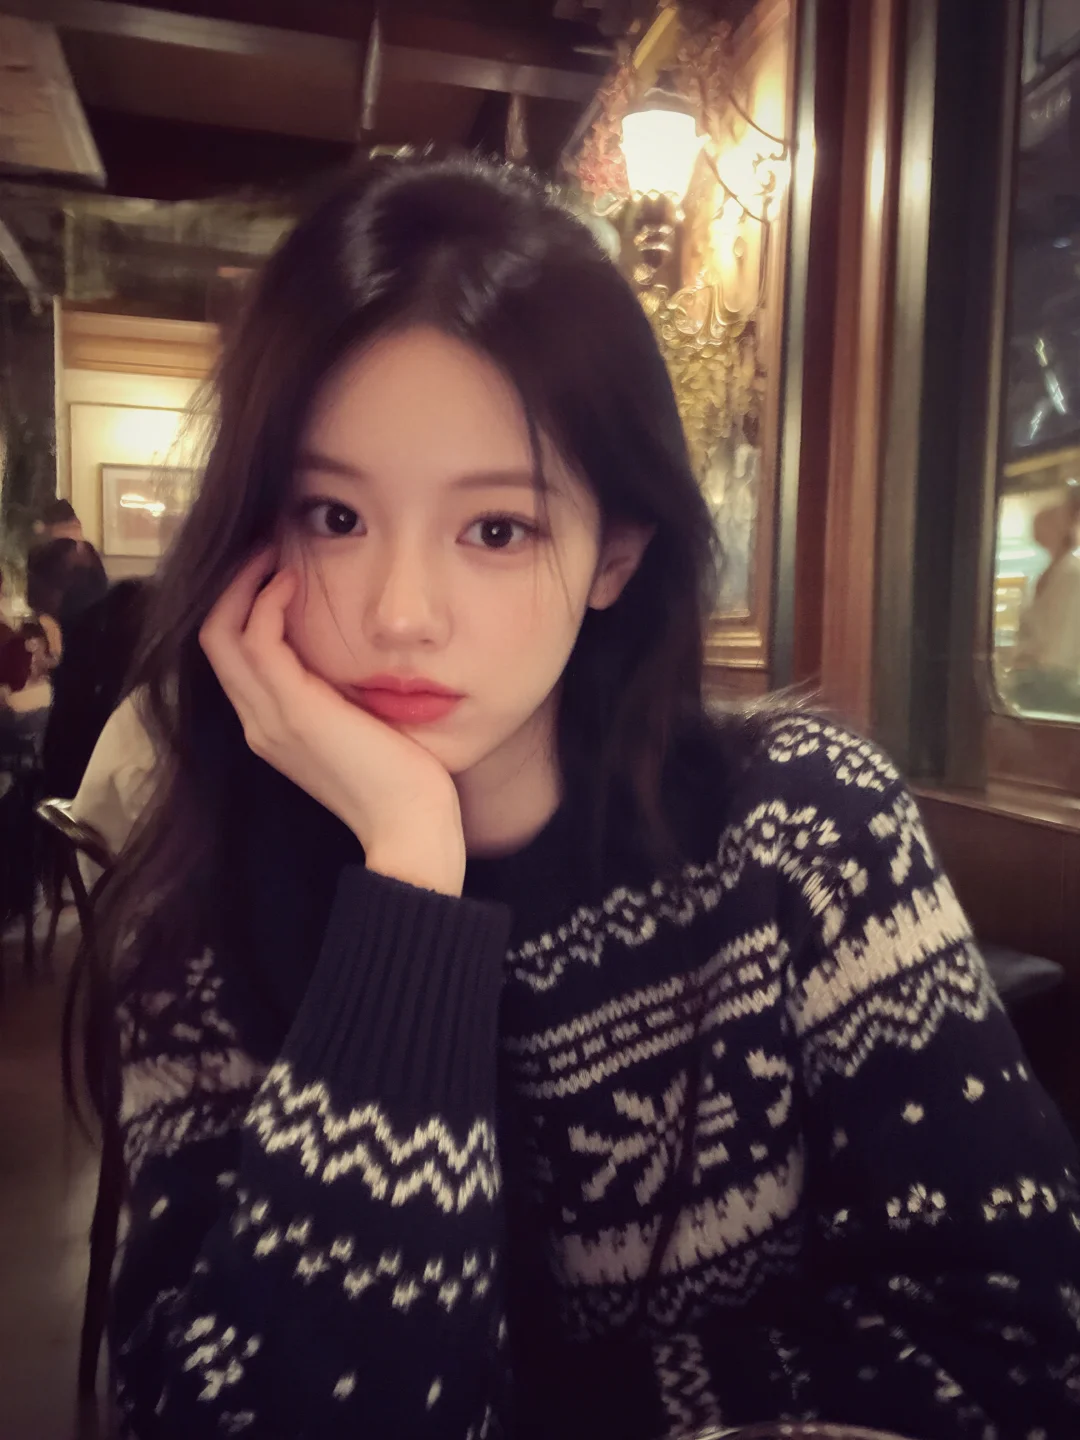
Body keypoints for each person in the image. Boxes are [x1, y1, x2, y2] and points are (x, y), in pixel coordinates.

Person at [77, 158, 1080, 1440]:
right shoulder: (201, 922)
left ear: (616, 553)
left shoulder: (806, 831)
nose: (400, 613)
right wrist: (408, 886)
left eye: (496, 529)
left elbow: (1019, 1347)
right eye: (332, 514)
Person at [1009, 486, 1080, 716]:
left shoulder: (1073, 574)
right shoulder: (1044, 574)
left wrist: (1032, 665)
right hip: (1036, 683)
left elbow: (1060, 646)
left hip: (1053, 688)